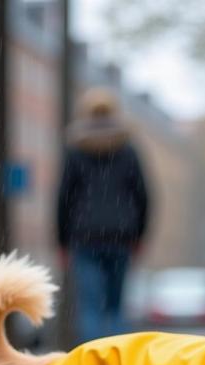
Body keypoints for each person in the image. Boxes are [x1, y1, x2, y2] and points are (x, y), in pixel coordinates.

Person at [57, 88, 149, 343]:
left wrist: (62, 241)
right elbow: (143, 196)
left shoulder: (76, 150)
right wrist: (139, 235)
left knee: (89, 306)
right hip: (121, 236)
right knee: (116, 306)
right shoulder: (127, 150)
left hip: (84, 237)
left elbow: (63, 198)